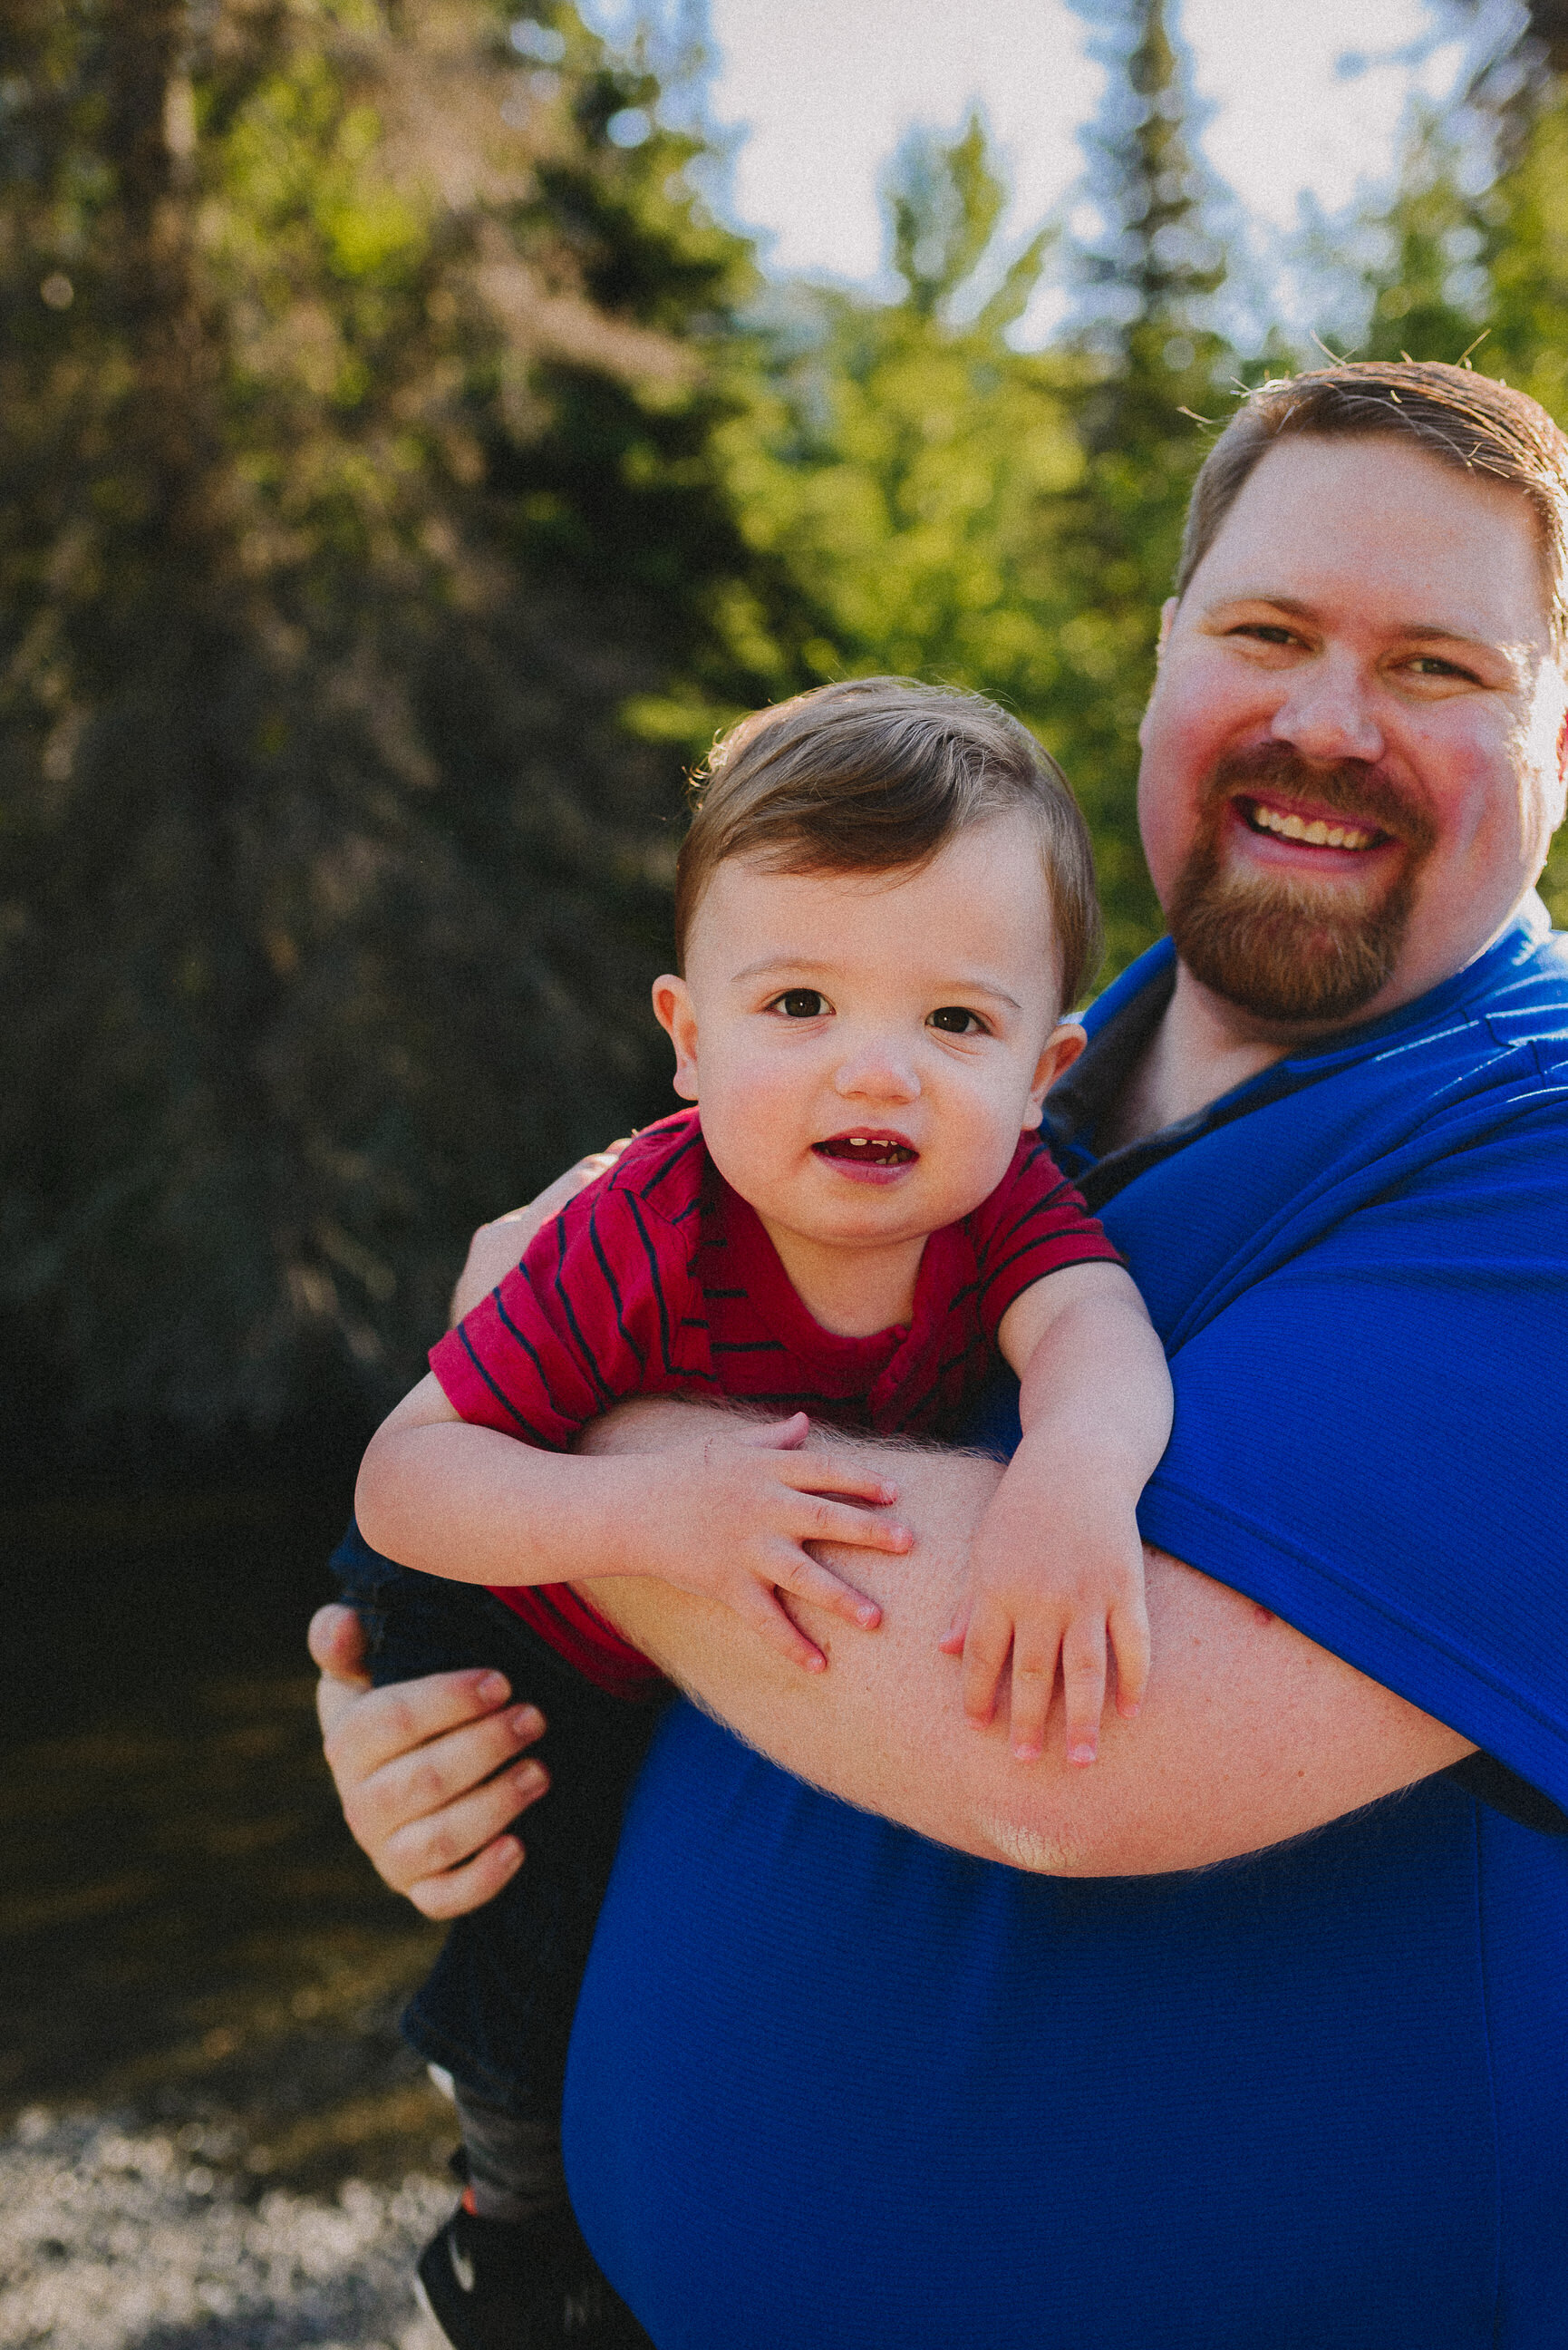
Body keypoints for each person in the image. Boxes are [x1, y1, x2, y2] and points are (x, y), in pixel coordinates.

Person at [314, 362, 1568, 2345]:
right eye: (1264, 633)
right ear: (1162, 668)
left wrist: (567, 1475)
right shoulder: (973, 1061)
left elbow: (1063, 1748)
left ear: (1559, 732)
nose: (1327, 723)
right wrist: (476, 1697)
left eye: (1438, 667)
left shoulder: (1531, 1139)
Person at [343, 680, 1172, 2349]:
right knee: (532, 1955)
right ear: (687, 1034)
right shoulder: (639, 1230)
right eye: (797, 1000)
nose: (876, 1069)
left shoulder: (1002, 1203)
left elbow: (1098, 1338)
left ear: (1043, 1071)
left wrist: (1074, 1485)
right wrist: (650, 1510)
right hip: (528, 1605)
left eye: (954, 1022)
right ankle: (505, 2219)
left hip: (698, 1620)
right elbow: (403, 1478)